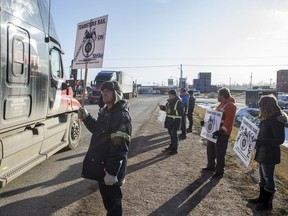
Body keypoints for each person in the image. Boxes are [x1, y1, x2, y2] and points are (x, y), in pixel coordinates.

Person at [78, 81, 132, 216]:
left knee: (114, 204)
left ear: (117, 94)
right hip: (103, 166)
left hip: (110, 170)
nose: (104, 94)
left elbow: (120, 148)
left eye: (108, 91)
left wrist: (112, 172)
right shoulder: (106, 111)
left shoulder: (121, 116)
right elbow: (98, 131)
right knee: (108, 203)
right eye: (103, 91)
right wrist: (86, 118)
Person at [248, 94, 287, 211]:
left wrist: (262, 141)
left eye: (261, 106)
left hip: (270, 153)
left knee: (269, 178)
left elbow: (279, 139)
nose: (259, 108)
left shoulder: (276, 120)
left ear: (267, 106)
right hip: (263, 151)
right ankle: (261, 198)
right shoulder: (268, 118)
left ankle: (267, 204)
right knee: (263, 177)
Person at [201, 87, 237, 178]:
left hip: (222, 134)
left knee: (220, 153)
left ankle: (219, 171)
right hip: (214, 132)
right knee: (210, 150)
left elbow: (228, 121)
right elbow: (214, 118)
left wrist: (221, 131)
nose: (217, 96)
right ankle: (211, 166)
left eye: (218, 95)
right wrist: (206, 123)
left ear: (222, 95)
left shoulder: (231, 106)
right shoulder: (221, 104)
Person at [159, 89, 184, 155]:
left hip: (175, 121)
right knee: (171, 134)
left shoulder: (179, 102)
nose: (168, 96)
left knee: (174, 135)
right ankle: (172, 146)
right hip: (169, 120)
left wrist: (171, 111)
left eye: (169, 95)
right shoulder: (169, 101)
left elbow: (181, 112)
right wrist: (163, 108)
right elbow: (168, 110)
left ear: (173, 95)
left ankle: (175, 149)